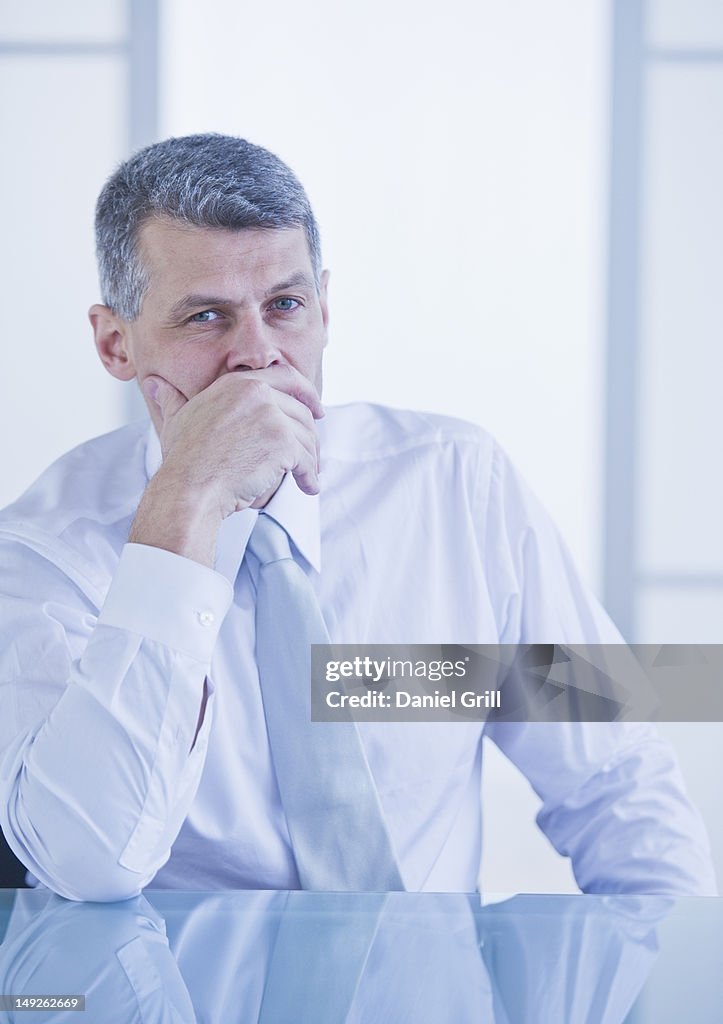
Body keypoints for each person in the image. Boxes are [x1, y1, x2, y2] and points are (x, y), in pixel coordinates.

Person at [0, 134, 715, 901]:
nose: (259, 353)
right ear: (116, 343)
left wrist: (671, 981)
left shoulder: (455, 482)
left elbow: (614, 775)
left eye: (284, 306)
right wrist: (185, 504)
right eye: (206, 317)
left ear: (325, 307)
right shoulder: (42, 550)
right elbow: (86, 864)